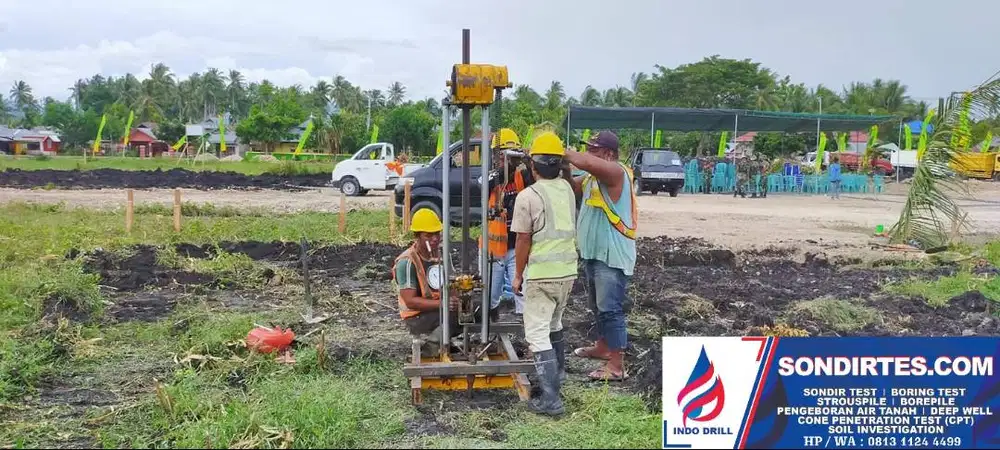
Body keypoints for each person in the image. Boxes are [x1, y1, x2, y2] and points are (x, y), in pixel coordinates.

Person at [511, 131, 578, 416]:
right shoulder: (567, 189)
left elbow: (523, 240)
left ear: (532, 165)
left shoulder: (528, 196)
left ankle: (551, 399)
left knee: (537, 335)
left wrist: (517, 275)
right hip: (567, 272)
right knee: (555, 325)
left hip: (541, 275)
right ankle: (558, 377)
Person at [562, 130, 636, 382]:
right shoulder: (592, 179)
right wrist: (563, 168)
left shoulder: (617, 173)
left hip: (611, 255)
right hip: (594, 253)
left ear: (608, 154)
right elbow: (574, 186)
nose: (588, 154)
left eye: (593, 150)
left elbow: (586, 163)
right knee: (597, 306)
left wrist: (563, 151)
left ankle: (616, 365)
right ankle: (603, 347)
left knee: (610, 309)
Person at [481, 128, 534, 320]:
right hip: (493, 250)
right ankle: (489, 327)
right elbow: (481, 188)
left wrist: (527, 162)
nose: (506, 160)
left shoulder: (523, 176)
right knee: (491, 294)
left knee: (522, 292)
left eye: (510, 156)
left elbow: (537, 183)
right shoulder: (490, 177)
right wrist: (504, 171)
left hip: (516, 246)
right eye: (502, 155)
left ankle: (524, 332)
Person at [392, 208, 460, 356]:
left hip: (437, 308)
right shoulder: (407, 262)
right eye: (428, 235)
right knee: (453, 317)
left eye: (437, 233)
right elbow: (410, 301)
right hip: (416, 316)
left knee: (473, 310)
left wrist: (459, 298)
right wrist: (443, 304)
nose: (434, 239)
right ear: (417, 236)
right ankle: (430, 348)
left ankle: (443, 338)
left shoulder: (442, 254)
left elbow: (451, 283)